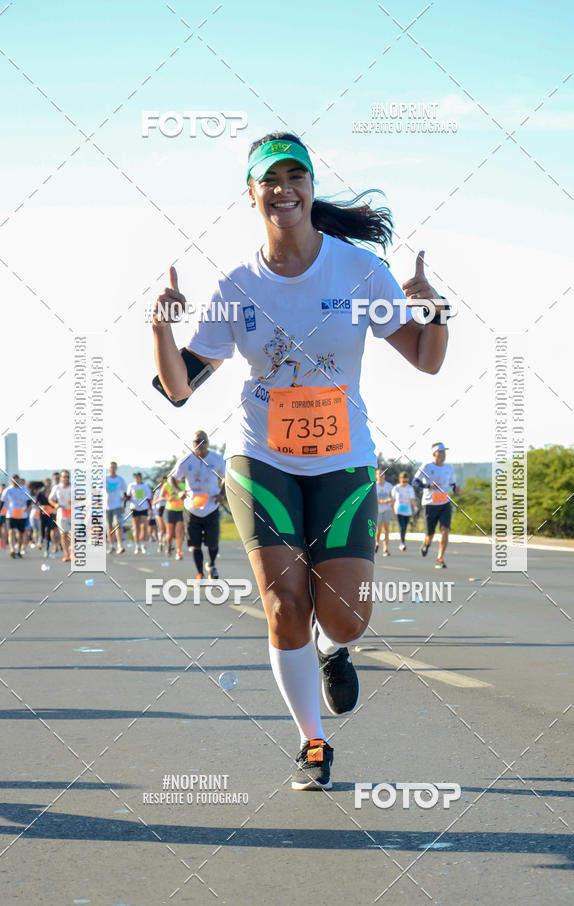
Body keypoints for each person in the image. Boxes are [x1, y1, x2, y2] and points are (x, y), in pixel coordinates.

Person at [151, 131, 449, 789]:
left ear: (310, 187)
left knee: (343, 614)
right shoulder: (237, 285)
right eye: (270, 179)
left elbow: (426, 359)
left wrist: (436, 307)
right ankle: (312, 742)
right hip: (262, 461)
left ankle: (333, 649)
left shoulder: (357, 272)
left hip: (343, 461)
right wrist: (159, 328)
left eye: (295, 176)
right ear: (252, 193)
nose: (283, 189)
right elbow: (178, 389)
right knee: (285, 603)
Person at [170, 430, 226, 580]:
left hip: (212, 507)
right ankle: (200, 573)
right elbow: (172, 478)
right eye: (197, 442)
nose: (200, 445)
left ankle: (211, 564)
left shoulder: (217, 459)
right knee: (195, 545)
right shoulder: (185, 460)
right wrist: (179, 492)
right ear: (192, 444)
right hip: (191, 508)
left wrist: (222, 494)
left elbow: (227, 477)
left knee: (213, 543)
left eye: (203, 441)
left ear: (208, 443)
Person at [413, 442, 460, 568]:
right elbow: (415, 482)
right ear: (434, 453)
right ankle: (426, 543)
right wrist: (428, 485)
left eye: (445, 452)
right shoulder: (426, 466)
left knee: (445, 530)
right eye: (441, 451)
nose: (444, 454)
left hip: (445, 502)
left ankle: (440, 558)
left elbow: (452, 484)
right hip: (430, 503)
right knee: (430, 535)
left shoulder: (448, 468)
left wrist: (456, 489)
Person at [158, 475, 186, 559]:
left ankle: (179, 552)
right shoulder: (167, 485)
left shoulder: (183, 485)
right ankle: (169, 546)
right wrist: (168, 498)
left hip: (180, 510)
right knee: (170, 534)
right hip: (170, 510)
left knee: (179, 532)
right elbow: (161, 497)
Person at [2, 475, 30, 559]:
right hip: (11, 514)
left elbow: (29, 500)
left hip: (22, 514)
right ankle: (12, 549)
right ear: (11, 481)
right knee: (11, 531)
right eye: (14, 481)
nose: (15, 482)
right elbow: (2, 502)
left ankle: (19, 550)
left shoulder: (24, 489)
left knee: (21, 533)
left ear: (19, 481)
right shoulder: (8, 490)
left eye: (17, 480)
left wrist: (26, 506)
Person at [126, 472, 152, 554]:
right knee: (136, 527)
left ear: (141, 478)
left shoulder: (145, 486)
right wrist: (127, 499)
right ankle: (137, 546)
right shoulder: (131, 485)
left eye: (138, 478)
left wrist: (150, 508)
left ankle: (143, 544)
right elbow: (128, 496)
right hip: (134, 508)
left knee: (144, 526)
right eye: (135, 478)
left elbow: (148, 498)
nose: (137, 479)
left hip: (143, 508)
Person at [49, 470, 72, 562]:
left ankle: (72, 549)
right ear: (61, 478)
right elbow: (50, 499)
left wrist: (75, 501)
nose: (65, 478)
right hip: (62, 512)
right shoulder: (56, 488)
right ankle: (66, 554)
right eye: (64, 476)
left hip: (73, 512)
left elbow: (82, 497)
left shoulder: (74, 487)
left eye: (67, 476)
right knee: (63, 534)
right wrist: (55, 505)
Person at [391, 471, 418, 550]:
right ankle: (402, 543)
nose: (405, 483)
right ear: (400, 479)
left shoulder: (410, 488)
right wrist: (393, 510)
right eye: (403, 481)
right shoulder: (396, 488)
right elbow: (393, 500)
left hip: (407, 510)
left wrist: (415, 506)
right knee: (401, 527)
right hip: (399, 510)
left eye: (406, 481)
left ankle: (403, 540)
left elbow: (412, 499)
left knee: (405, 527)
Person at [106, 461, 127, 554]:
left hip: (117, 506)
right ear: (109, 468)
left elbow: (126, 494)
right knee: (109, 528)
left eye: (114, 467)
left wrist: (124, 506)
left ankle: (119, 545)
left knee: (118, 525)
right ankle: (111, 546)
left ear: (116, 468)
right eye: (111, 467)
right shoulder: (104, 479)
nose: (113, 469)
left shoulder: (120, 479)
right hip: (106, 507)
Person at [375, 468, 393, 556]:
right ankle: (377, 543)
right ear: (376, 476)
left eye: (382, 474)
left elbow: (392, 497)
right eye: (379, 474)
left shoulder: (389, 485)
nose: (381, 475)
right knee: (378, 530)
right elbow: (373, 499)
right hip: (377, 510)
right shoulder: (374, 485)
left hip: (387, 509)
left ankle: (385, 549)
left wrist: (391, 503)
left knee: (386, 530)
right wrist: (381, 501)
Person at [153, 477, 167, 552]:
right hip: (160, 509)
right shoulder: (158, 491)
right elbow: (154, 502)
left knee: (168, 528)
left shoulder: (170, 490)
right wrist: (161, 499)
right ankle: (160, 543)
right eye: (163, 482)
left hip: (168, 508)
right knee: (162, 528)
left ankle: (168, 543)